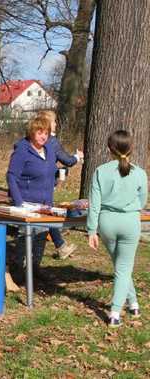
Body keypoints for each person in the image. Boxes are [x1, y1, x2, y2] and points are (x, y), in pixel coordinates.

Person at [87, 130, 147, 328]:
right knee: (123, 268)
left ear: (108, 149)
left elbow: (94, 204)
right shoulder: (140, 173)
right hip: (130, 222)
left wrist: (91, 230)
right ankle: (114, 313)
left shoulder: (100, 171)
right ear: (132, 148)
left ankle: (134, 303)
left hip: (106, 223)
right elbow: (142, 201)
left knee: (121, 267)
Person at [6, 116, 62, 283]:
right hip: (27, 203)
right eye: (40, 132)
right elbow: (11, 176)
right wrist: (19, 203)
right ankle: (18, 269)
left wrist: (58, 176)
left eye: (46, 133)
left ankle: (35, 267)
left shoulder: (49, 151)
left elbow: (51, 170)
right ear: (32, 132)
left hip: (46, 203)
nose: (43, 136)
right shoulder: (22, 151)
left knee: (41, 236)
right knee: (26, 236)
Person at [38, 110, 84, 259]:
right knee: (48, 213)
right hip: (45, 184)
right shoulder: (52, 141)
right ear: (48, 123)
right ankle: (60, 247)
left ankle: (60, 245)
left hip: (33, 182)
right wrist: (78, 156)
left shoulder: (32, 139)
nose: (56, 124)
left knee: (46, 213)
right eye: (54, 121)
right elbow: (68, 161)